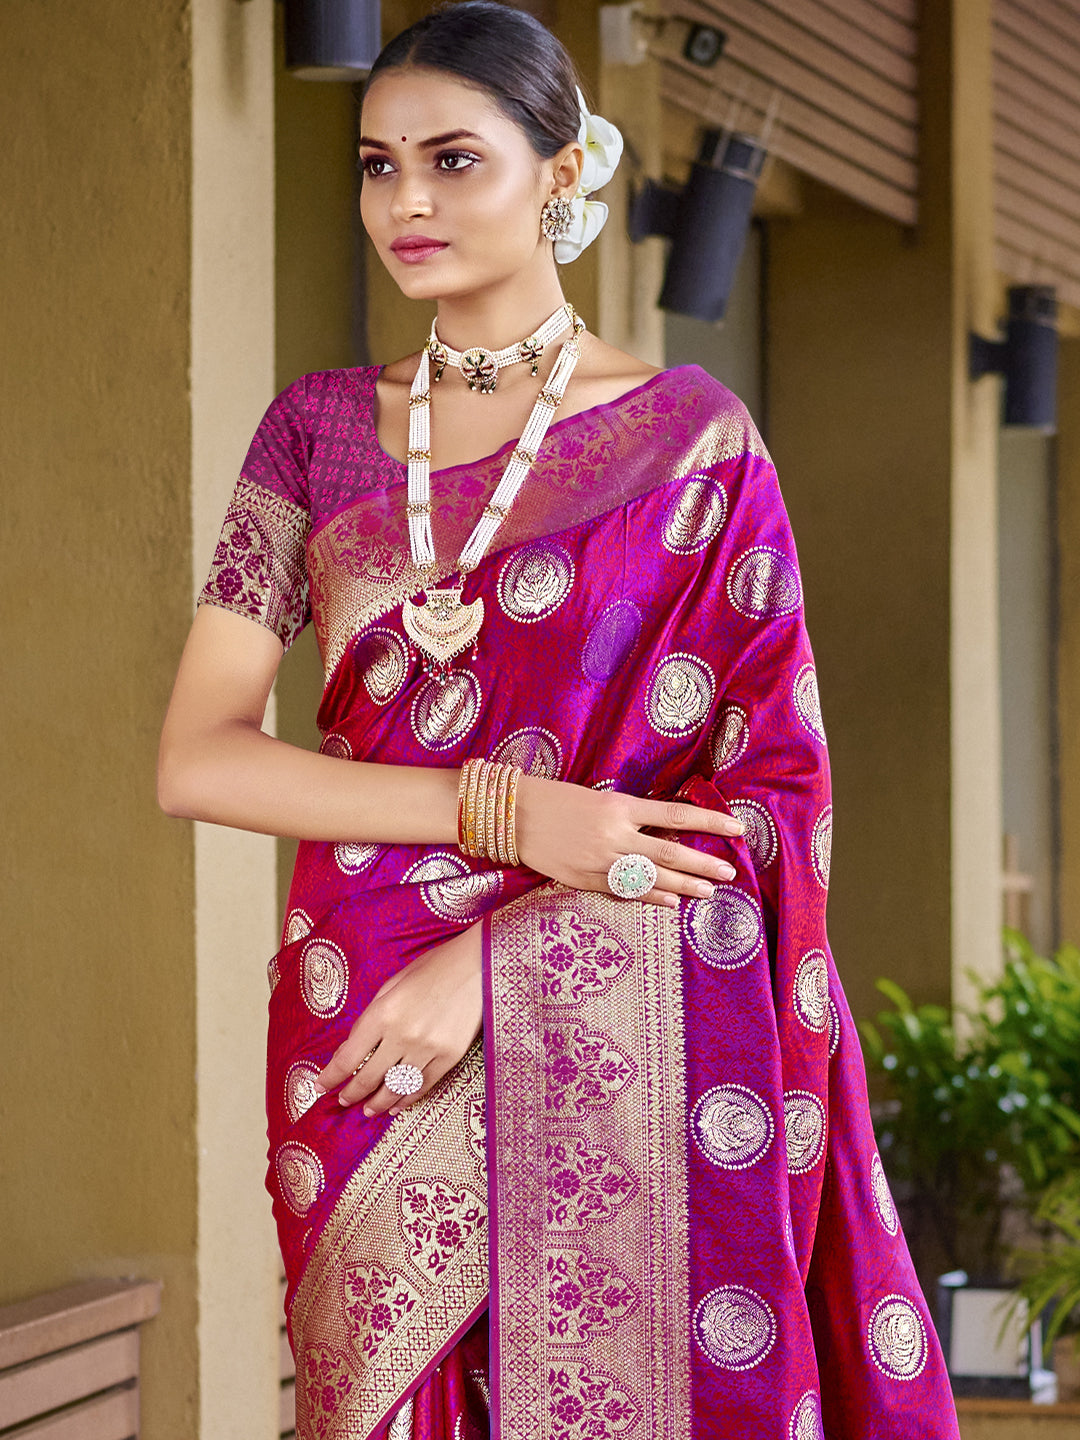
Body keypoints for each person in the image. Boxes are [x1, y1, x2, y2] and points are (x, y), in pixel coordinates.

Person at [159, 5, 962, 1437]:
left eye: (455, 160)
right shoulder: (319, 431)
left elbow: (766, 804)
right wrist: (501, 814)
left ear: (562, 171)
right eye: (378, 163)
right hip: (360, 1021)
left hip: (568, 993)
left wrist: (495, 958)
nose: (406, 202)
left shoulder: (695, 440)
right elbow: (198, 755)